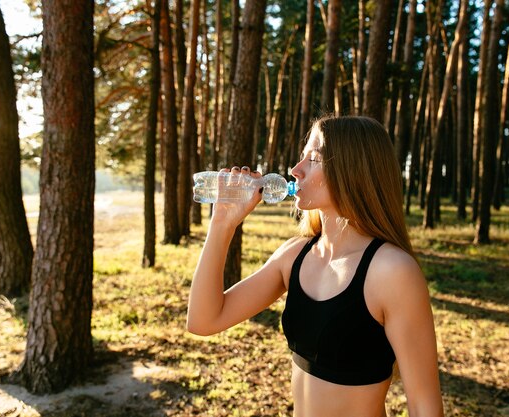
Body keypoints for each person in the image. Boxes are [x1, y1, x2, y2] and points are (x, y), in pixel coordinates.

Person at [187, 115, 444, 417]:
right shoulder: (295, 255)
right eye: (302, 157)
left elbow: (424, 405)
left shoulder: (391, 271)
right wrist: (222, 224)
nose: (296, 170)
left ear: (353, 170)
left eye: (315, 159)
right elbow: (203, 321)